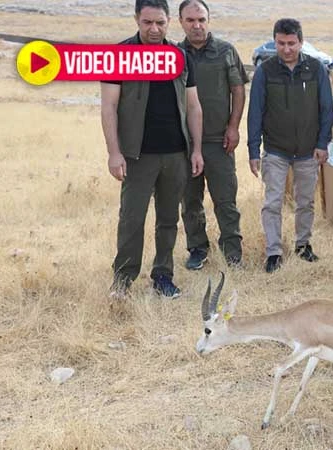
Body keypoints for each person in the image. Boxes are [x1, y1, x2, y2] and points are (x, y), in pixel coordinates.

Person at [102, 0, 203, 299]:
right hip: (137, 155)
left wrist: (196, 149)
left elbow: (194, 106)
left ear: (169, 21)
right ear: (136, 19)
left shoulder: (181, 56)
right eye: (147, 22)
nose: (154, 29)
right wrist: (113, 152)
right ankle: (123, 279)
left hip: (175, 154)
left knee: (168, 219)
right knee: (131, 219)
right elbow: (109, 107)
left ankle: (163, 276)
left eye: (160, 22)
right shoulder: (119, 55)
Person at [248, 18, 333, 273]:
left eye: (291, 43)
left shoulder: (316, 69)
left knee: (305, 202)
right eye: (281, 43)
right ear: (274, 42)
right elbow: (255, 112)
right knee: (272, 203)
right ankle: (273, 252)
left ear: (301, 42)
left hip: (308, 150)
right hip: (275, 149)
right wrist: (254, 150)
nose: (286, 49)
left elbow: (326, 110)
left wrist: (322, 143)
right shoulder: (265, 70)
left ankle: (303, 245)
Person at [179, 0, 248, 270]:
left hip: (219, 142)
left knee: (225, 200)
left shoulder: (226, 52)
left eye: (201, 19)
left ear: (208, 20)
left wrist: (233, 127)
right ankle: (197, 250)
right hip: (184, 144)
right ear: (181, 21)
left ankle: (233, 252)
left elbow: (238, 90)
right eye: (191, 20)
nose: (197, 25)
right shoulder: (174, 54)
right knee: (190, 200)